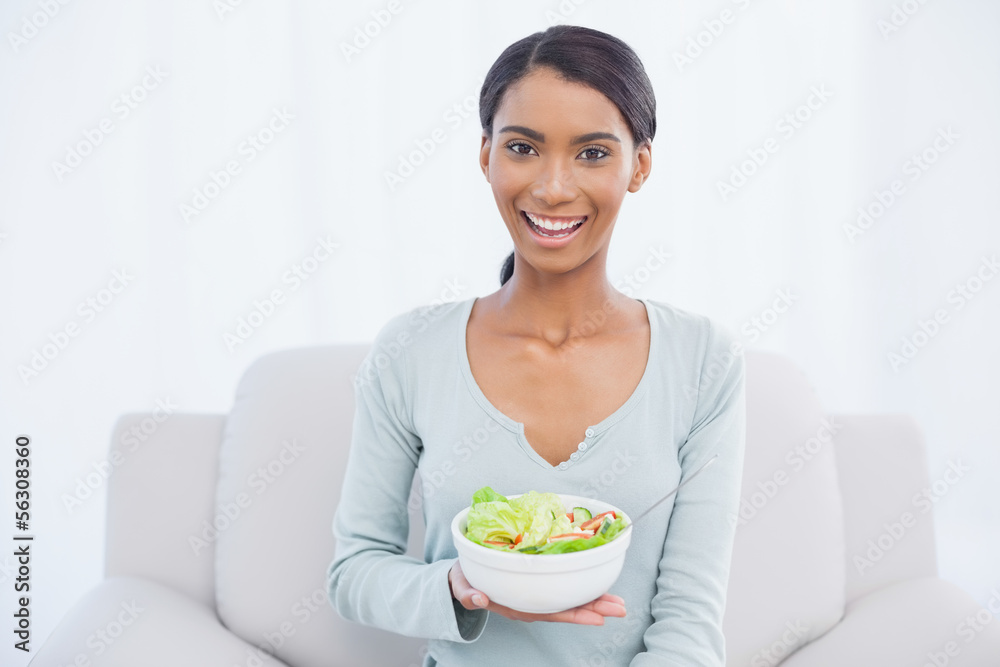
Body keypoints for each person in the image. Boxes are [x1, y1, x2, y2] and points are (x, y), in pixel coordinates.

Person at [327, 24, 746, 666]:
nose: (552, 187)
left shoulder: (703, 360)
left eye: (592, 153)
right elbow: (354, 572)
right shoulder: (409, 352)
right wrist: (459, 589)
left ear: (640, 165)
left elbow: (688, 622)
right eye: (523, 147)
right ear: (486, 155)